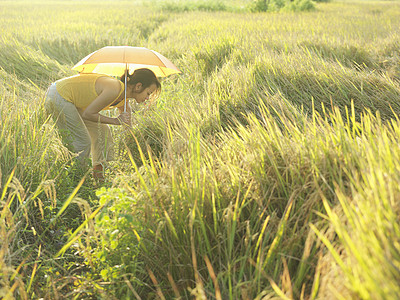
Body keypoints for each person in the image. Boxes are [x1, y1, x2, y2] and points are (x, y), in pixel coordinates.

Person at [44, 68, 161, 182]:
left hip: (70, 100)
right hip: (59, 95)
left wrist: (136, 145)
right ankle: (77, 180)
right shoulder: (114, 89)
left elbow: (128, 128)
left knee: (103, 132)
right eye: (148, 93)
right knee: (83, 142)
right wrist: (115, 121)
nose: (147, 98)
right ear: (138, 86)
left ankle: (100, 174)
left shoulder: (124, 100)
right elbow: (88, 114)